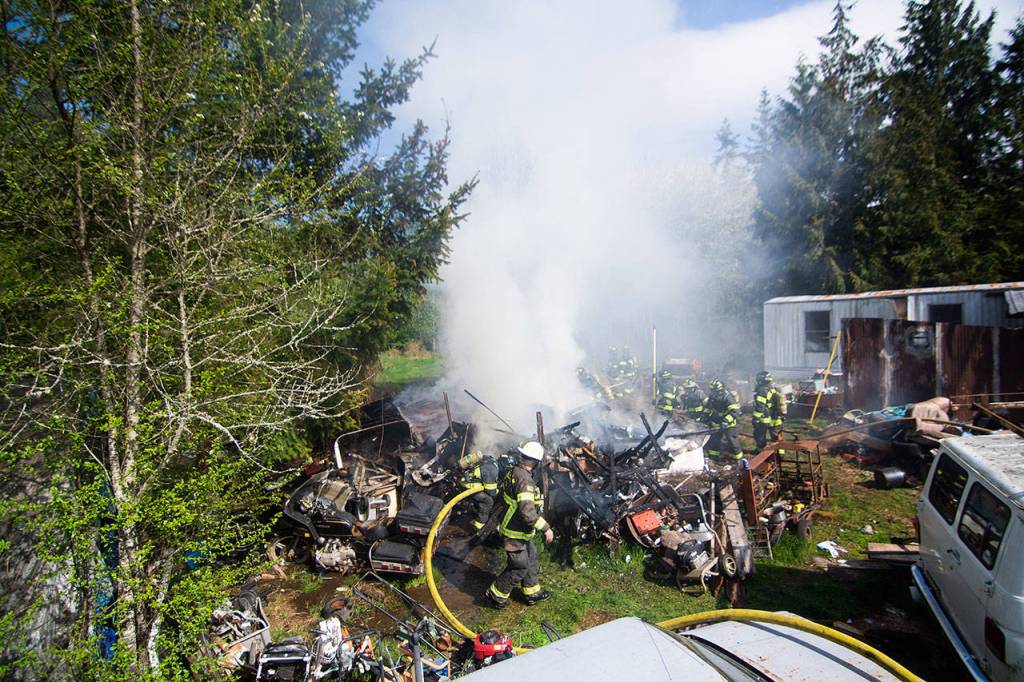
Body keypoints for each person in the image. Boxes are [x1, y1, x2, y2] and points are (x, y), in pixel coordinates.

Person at [486, 441, 553, 608]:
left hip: (519, 529)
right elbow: (528, 513)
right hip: (514, 531)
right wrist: (546, 528)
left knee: (531, 556)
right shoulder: (525, 482)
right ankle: (495, 594)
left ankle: (532, 593)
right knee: (519, 566)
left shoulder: (514, 471)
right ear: (536, 462)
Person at [457, 450, 499, 533]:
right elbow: (491, 492)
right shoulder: (491, 469)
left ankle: (472, 509)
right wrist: (498, 490)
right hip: (469, 488)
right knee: (488, 501)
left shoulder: (484, 461)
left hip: (463, 481)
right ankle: (478, 526)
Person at [699, 378, 742, 460]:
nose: (712, 392)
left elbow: (735, 412)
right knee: (714, 441)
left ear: (719, 390)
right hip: (717, 423)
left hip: (729, 425)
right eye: (711, 390)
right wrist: (703, 416)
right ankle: (713, 457)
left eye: (714, 390)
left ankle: (739, 459)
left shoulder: (728, 397)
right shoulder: (712, 396)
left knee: (732, 442)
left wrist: (725, 421)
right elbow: (708, 408)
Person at [752, 371, 786, 450]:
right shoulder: (772, 387)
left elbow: (760, 406)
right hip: (775, 416)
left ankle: (761, 451)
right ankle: (780, 454)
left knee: (760, 434)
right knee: (776, 436)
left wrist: (755, 418)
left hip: (765, 417)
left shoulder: (762, 390)